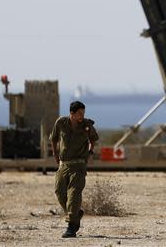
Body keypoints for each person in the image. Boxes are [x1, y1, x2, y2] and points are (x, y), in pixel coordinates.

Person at [50, 101, 99, 238]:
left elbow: (93, 139)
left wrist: (89, 153)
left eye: (83, 113)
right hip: (64, 164)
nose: (82, 116)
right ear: (72, 113)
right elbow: (53, 139)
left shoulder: (86, 125)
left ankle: (71, 227)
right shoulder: (61, 123)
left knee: (73, 195)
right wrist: (55, 154)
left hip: (78, 166)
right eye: (79, 113)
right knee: (59, 192)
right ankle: (76, 214)